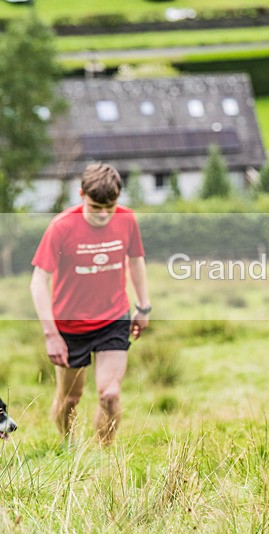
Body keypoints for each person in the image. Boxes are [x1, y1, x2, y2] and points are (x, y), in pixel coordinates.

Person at [30, 162, 151, 446]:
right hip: (70, 326)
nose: (104, 214)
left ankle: (102, 455)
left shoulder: (127, 220)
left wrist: (143, 306)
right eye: (96, 206)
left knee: (110, 395)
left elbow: (135, 261)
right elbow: (38, 281)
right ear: (82, 194)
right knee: (70, 399)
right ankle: (69, 448)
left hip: (113, 319)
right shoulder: (61, 226)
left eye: (110, 206)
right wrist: (51, 334)